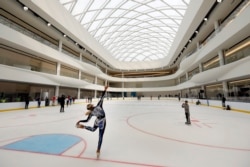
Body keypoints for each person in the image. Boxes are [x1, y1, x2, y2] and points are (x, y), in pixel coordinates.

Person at [76, 85, 108, 157]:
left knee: (94, 130)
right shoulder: (98, 106)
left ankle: (84, 127)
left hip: (98, 121)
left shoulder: (91, 113)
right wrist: (105, 89)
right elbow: (102, 97)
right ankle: (98, 149)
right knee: (100, 136)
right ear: (92, 106)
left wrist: (80, 121)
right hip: (102, 121)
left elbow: (87, 120)